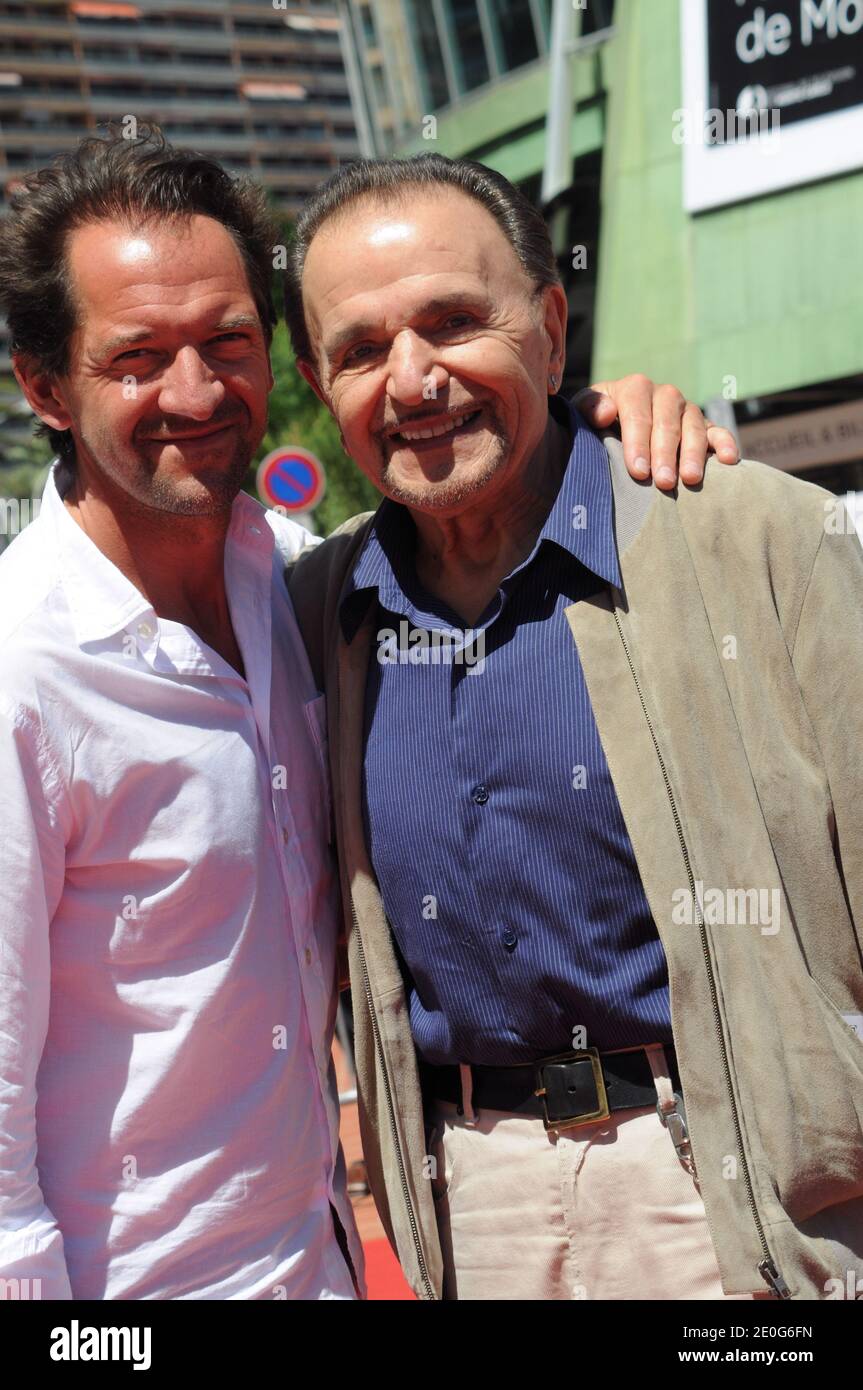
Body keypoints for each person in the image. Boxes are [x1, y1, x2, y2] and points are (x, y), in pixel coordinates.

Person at [0, 129, 724, 1300]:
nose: (194, 392)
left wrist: (597, 415)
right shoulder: (21, 672)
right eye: (136, 358)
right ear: (45, 386)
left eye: (227, 341)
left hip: (336, 1259)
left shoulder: (300, 586)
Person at [286, 154, 863, 1302]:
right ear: (319, 380)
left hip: (732, 1192)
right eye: (360, 349)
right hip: (469, 1203)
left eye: (454, 321)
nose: (411, 380)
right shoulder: (312, 616)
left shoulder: (754, 539)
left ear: (550, 327)